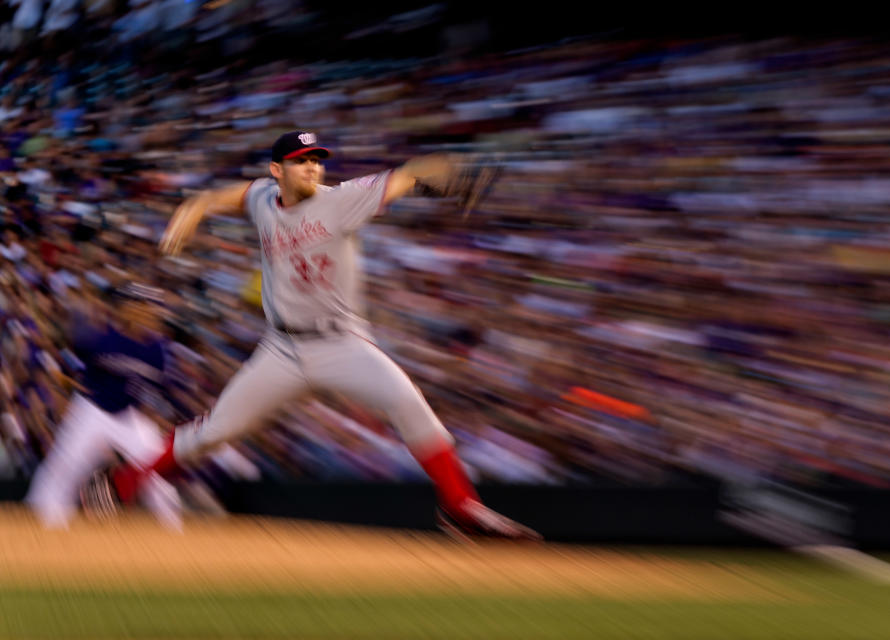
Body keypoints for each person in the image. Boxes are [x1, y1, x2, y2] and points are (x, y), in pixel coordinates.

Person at [88, 131, 540, 541]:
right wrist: (195, 207)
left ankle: (460, 506)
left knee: (409, 404)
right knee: (215, 431)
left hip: (341, 344)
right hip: (281, 349)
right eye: (302, 161)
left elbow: (409, 174)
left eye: (317, 160)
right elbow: (223, 197)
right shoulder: (264, 197)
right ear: (277, 171)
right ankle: (122, 483)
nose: (313, 168)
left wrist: (456, 169)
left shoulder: (342, 199)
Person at [25, 282, 182, 529]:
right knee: (65, 466)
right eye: (140, 307)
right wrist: (66, 381)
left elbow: (158, 392)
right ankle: (42, 528)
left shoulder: (158, 352)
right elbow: (63, 356)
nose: (148, 312)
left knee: (154, 469)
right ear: (125, 310)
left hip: (129, 415)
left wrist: (157, 414)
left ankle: (175, 532)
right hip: (92, 410)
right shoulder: (101, 340)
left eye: (151, 308)